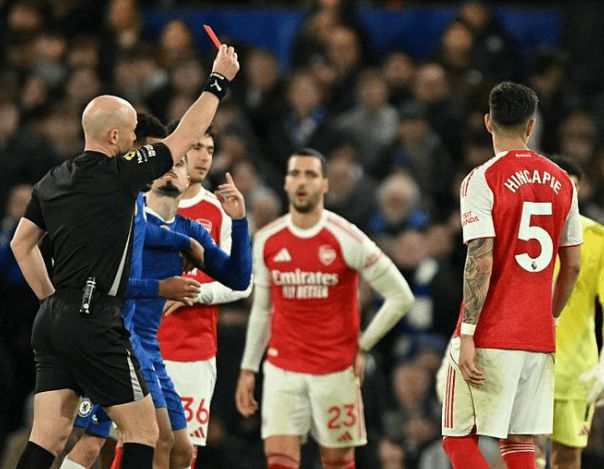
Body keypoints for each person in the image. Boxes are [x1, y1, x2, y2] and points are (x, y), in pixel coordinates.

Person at [10, 44, 240, 469]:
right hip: (96, 319)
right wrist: (218, 81)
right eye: (133, 132)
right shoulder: (121, 172)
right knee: (144, 434)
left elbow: (20, 244)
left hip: (53, 321)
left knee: (48, 437)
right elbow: (184, 137)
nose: (136, 139)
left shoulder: (52, 180)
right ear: (115, 137)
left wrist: (49, 298)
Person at [235, 148, 415, 469]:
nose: (302, 181)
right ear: (286, 182)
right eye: (295, 174)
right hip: (282, 368)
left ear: (325, 184)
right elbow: (262, 310)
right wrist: (249, 369)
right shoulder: (267, 239)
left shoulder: (346, 237)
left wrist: (363, 345)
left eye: (311, 174)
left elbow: (401, 296)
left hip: (335, 370)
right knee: (278, 461)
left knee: (337, 462)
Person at [441, 82, 582, 469]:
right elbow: (572, 265)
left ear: (488, 122)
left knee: (457, 439)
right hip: (537, 335)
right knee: (519, 443)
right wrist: (550, 318)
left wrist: (468, 333)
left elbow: (480, 260)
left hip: (491, 331)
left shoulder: (481, 179)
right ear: (530, 125)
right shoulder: (562, 182)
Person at [59, 113, 202, 469]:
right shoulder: (113, 195)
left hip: (128, 338)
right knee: (84, 440)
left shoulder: (133, 198)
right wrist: (161, 287)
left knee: (167, 443)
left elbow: (144, 233)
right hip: (103, 332)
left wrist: (183, 241)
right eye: (154, 156)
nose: (160, 166)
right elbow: (110, 281)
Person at [134, 155, 252, 469]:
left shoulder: (190, 232)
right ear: (149, 176)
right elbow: (105, 284)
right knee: (99, 441)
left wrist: (240, 223)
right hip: (120, 343)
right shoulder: (129, 217)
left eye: (179, 165)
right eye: (166, 163)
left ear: (188, 181)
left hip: (158, 351)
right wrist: (160, 288)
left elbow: (240, 280)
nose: (172, 169)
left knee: (181, 450)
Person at [548, 158, 604, 469]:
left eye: (573, 186)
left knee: (567, 458)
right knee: (520, 452)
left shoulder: (596, 238)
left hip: (574, 371)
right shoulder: (518, 232)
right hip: (526, 362)